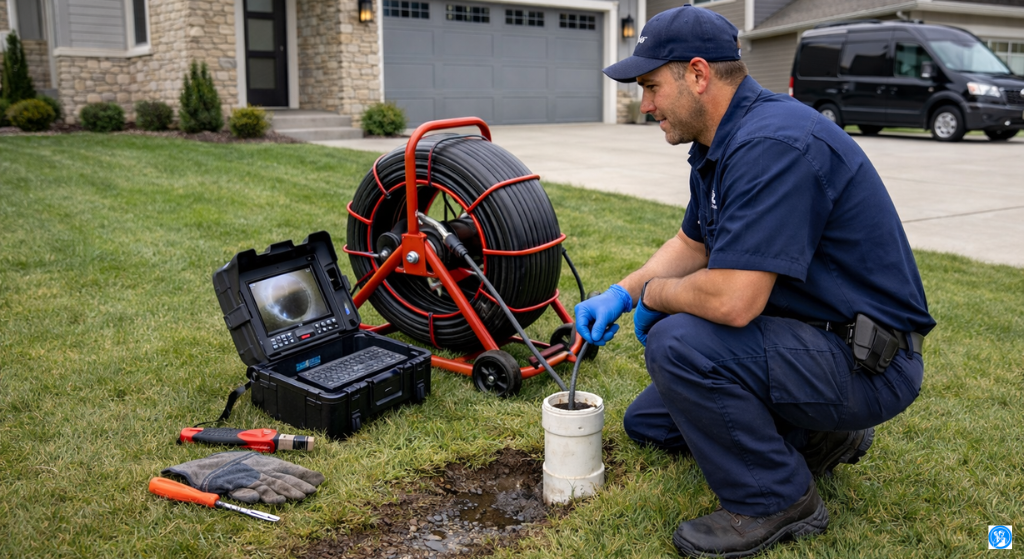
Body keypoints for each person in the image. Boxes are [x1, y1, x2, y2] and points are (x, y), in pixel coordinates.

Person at [574, 5, 935, 558]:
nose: (644, 105)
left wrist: (656, 297)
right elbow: (691, 245)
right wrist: (623, 292)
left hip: (867, 362)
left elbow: (735, 301)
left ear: (697, 74)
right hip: (814, 338)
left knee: (679, 343)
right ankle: (821, 436)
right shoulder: (722, 141)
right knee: (650, 422)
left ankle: (776, 499)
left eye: (650, 86)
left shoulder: (773, 145)